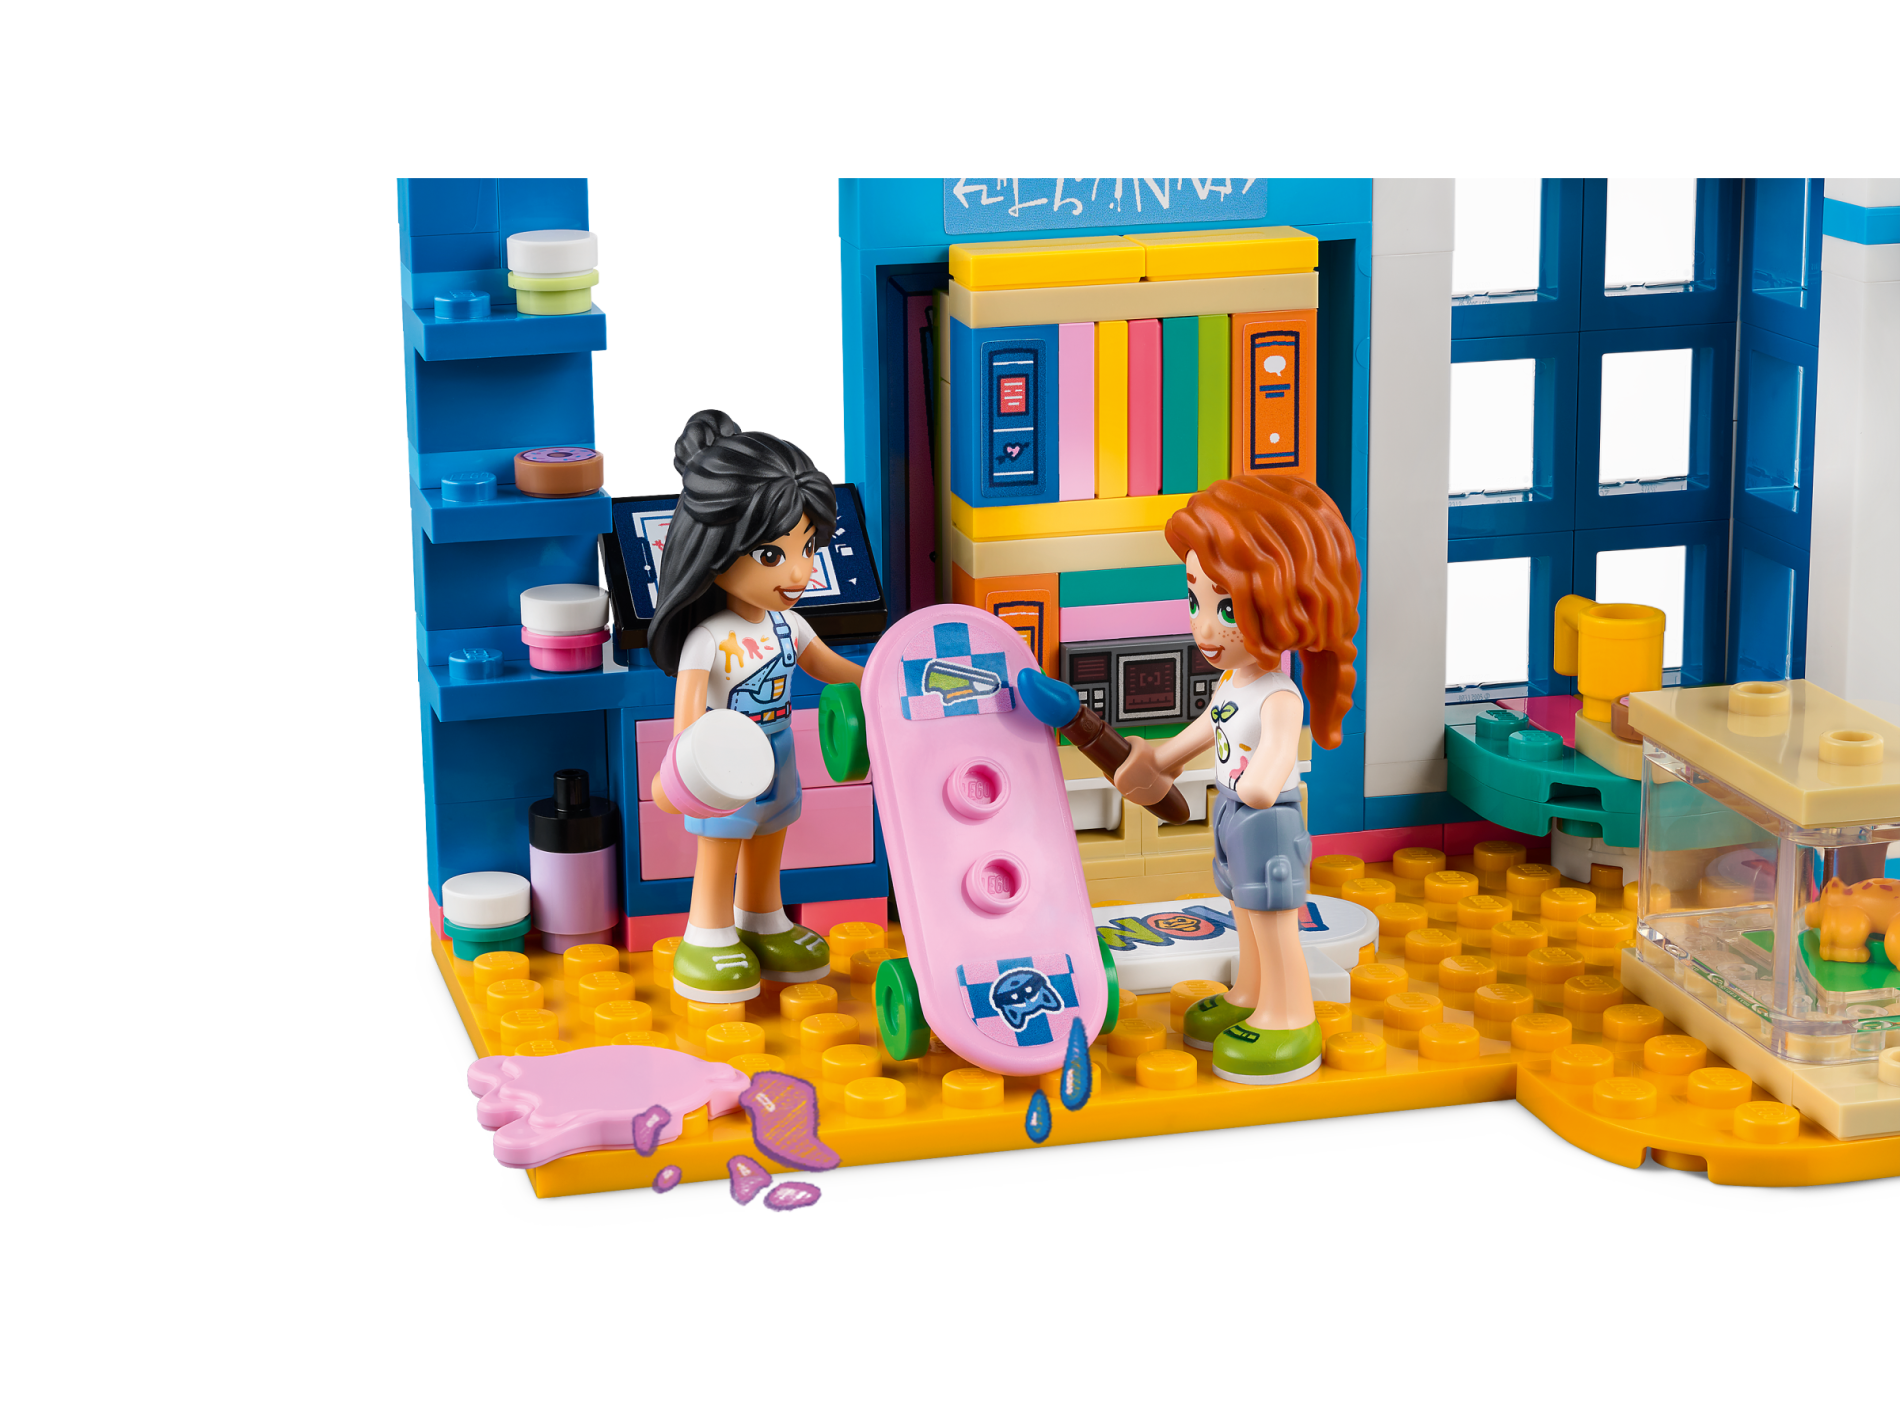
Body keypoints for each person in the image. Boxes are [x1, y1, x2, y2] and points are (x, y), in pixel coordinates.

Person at [1113, 475, 1361, 1084]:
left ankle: (1291, 1016)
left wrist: (1256, 784)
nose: (1204, 628)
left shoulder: (1280, 695)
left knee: (1273, 919)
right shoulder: (1233, 683)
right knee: (1243, 912)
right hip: (1230, 812)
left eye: (1226, 610)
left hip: (1265, 819)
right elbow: (1210, 726)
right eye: (1195, 601)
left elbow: (1273, 763)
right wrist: (1162, 759)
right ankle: (1251, 995)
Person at [647, 410, 865, 1004]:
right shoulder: (707, 639)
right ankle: (706, 932)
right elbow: (688, 717)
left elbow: (829, 667)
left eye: (808, 548)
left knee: (771, 835)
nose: (799, 572)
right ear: (714, 552)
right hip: (724, 762)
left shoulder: (787, 625)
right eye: (773, 555)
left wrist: (883, 678)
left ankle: (763, 918)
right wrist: (685, 769)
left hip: (780, 750)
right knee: (721, 847)